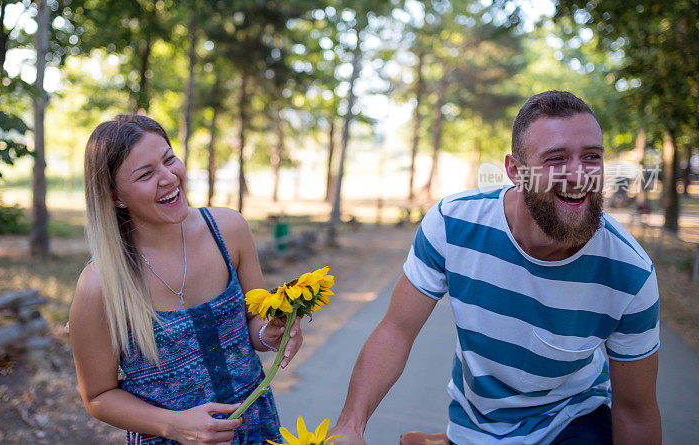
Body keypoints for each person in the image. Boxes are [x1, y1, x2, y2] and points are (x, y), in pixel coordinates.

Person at [331, 91, 661, 444]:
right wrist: (350, 426)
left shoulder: (631, 272)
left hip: (570, 419)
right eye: (555, 159)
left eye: (592, 157)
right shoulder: (452, 224)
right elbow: (396, 330)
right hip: (475, 425)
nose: (579, 175)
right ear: (516, 172)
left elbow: (636, 412)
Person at [69, 114, 302, 444]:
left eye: (169, 159)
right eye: (146, 174)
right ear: (115, 197)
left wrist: (272, 333)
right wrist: (171, 424)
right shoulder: (99, 285)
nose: (168, 177)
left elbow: (253, 323)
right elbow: (98, 396)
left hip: (256, 429)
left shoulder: (229, 229)